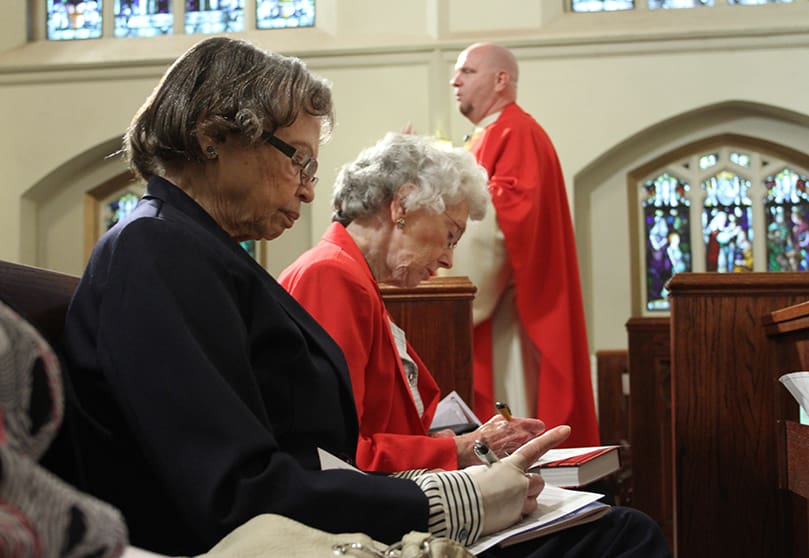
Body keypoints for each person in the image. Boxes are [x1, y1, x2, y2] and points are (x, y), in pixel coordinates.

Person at [55, 37, 669, 558]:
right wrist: (461, 497)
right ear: (214, 136)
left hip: (317, 519)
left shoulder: (194, 251)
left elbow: (308, 450)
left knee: (609, 526)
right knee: (622, 536)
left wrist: (470, 468)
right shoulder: (157, 251)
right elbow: (236, 492)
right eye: (298, 159)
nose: (306, 191)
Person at [280, 132, 547, 473]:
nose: (449, 259)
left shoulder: (350, 275)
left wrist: (440, 444)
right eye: (451, 236)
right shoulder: (330, 276)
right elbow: (337, 454)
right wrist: (461, 449)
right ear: (402, 204)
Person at [447, 42, 599, 447]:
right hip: (499, 317)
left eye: (466, 71)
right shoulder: (487, 135)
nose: (454, 81)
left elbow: (505, 224)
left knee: (515, 418)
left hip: (511, 319)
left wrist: (440, 225)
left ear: (501, 79)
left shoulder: (517, 133)